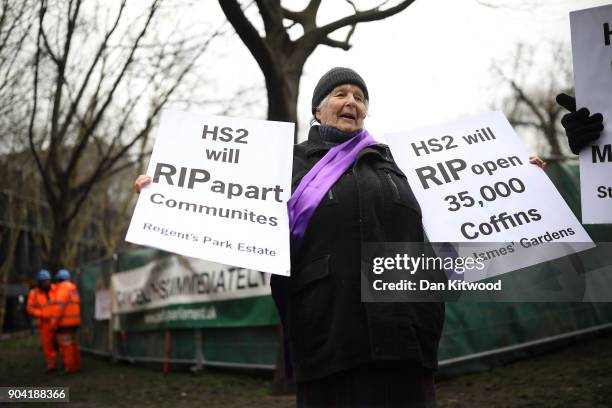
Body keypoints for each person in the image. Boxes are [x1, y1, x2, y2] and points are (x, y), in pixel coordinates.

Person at [49, 269, 81, 373]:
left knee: (66, 346)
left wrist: (53, 324)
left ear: (58, 279)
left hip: (65, 324)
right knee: (74, 345)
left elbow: (59, 308)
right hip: (74, 322)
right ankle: (76, 365)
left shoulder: (62, 289)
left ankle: (70, 367)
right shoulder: (73, 288)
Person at [26, 269, 57, 373]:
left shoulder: (55, 289)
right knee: (47, 346)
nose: (46, 283)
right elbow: (29, 308)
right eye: (44, 281)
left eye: (47, 280)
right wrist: (42, 314)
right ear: (39, 282)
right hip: (45, 324)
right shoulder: (33, 293)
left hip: (57, 321)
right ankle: (51, 366)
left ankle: (67, 364)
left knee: (62, 345)